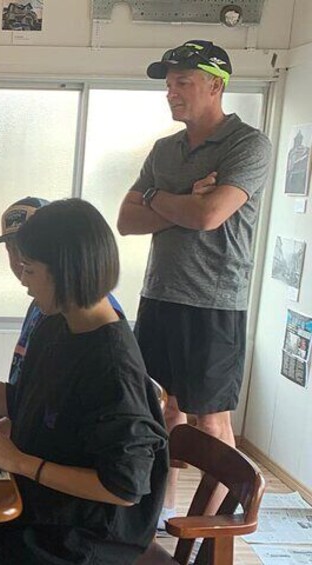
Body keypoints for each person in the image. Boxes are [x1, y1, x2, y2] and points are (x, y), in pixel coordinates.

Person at [0, 199, 168, 564]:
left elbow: (124, 487)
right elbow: (18, 403)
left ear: (65, 270)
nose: (22, 280)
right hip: (42, 502)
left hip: (83, 535)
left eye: (29, 269)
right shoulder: (57, 325)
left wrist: (23, 463)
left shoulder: (112, 365)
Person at [116, 40, 272, 523]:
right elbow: (125, 219)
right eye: (168, 84)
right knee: (165, 408)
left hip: (214, 303)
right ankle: (160, 512)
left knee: (210, 421)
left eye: (182, 82)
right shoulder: (165, 150)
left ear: (215, 85)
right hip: (160, 294)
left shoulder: (249, 145)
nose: (171, 93)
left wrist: (160, 198)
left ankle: (210, 529)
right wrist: (179, 197)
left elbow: (209, 215)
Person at [0, 196, 125, 386]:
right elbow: (30, 400)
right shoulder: (43, 305)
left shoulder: (82, 321)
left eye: (26, 255)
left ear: (62, 258)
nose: (19, 261)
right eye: (11, 249)